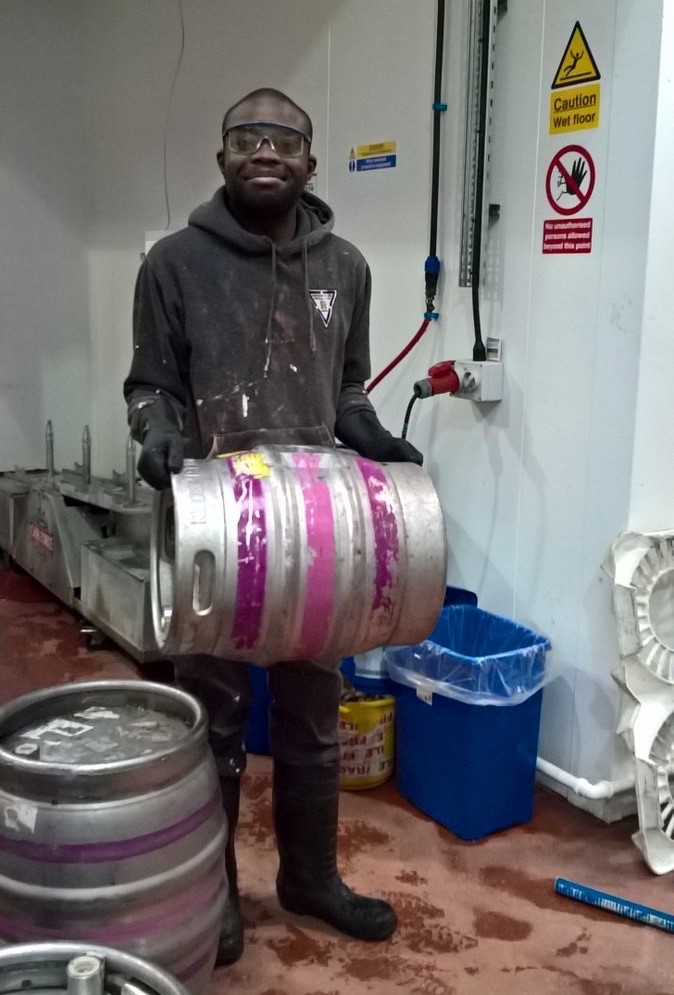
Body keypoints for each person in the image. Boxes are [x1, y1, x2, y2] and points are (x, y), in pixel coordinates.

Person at [123, 87, 422, 965]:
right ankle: (212, 894)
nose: (267, 152)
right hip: (214, 529)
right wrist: (158, 431)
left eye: (284, 141)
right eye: (248, 139)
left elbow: (351, 388)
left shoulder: (349, 269)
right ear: (221, 159)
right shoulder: (173, 264)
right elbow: (150, 383)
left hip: (319, 536)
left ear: (311, 163)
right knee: (211, 721)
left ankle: (310, 879)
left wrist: (366, 429)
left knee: (313, 716)